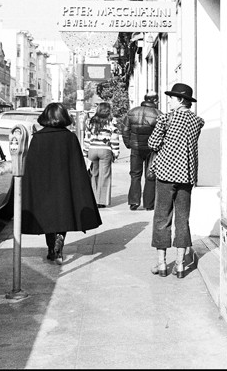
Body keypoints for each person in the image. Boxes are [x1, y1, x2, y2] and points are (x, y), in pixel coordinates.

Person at [21, 102, 101, 265]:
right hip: (64, 185)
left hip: (43, 185)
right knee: (62, 216)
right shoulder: (70, 138)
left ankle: (51, 248)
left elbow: (31, 165)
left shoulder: (37, 138)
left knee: (47, 217)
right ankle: (59, 243)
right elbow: (77, 166)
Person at [148, 83, 205, 279]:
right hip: (187, 176)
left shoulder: (166, 118)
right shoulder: (197, 121)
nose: (168, 101)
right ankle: (180, 265)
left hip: (166, 174)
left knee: (162, 217)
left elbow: (153, 143)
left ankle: (162, 264)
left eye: (171, 98)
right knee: (183, 218)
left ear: (180, 100)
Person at [118, 90, 163, 211]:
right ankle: (149, 204)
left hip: (136, 148)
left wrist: (128, 144)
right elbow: (162, 133)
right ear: (155, 100)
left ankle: (134, 201)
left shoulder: (132, 112)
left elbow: (125, 130)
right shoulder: (158, 114)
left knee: (135, 175)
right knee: (151, 176)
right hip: (151, 149)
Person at [83, 102, 120, 208]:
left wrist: (85, 152)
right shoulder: (112, 122)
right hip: (105, 150)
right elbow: (114, 139)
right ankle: (101, 201)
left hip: (92, 149)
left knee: (94, 175)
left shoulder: (91, 121)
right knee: (105, 175)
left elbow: (87, 138)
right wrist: (116, 153)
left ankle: (93, 199)